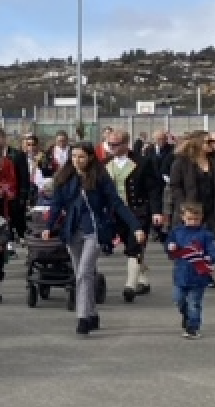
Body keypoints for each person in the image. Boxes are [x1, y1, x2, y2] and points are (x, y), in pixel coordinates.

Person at [44, 142, 144, 335]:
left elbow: (117, 203)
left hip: (95, 231)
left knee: (83, 273)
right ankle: (92, 314)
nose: (76, 160)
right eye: (73, 156)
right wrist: (49, 226)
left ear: (90, 157)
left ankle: (82, 317)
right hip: (73, 232)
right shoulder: (65, 178)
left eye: (81, 156)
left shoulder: (99, 176)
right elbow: (56, 204)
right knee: (83, 275)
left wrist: (135, 226)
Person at [104, 129, 162, 302]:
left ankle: (130, 286)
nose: (111, 147)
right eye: (110, 144)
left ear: (126, 144)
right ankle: (142, 278)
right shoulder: (104, 163)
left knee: (134, 245)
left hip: (138, 210)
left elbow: (154, 188)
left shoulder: (143, 162)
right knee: (129, 247)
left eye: (115, 144)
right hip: (115, 212)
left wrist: (157, 211)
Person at [166, 132, 215, 265]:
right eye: (208, 142)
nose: (212, 144)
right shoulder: (181, 162)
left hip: (213, 208)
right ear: (197, 144)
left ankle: (206, 271)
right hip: (191, 208)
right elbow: (175, 186)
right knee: (191, 242)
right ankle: (193, 271)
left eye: (213, 142)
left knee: (210, 241)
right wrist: (184, 206)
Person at [165, 203, 215, 339]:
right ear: (183, 217)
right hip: (180, 275)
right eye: (189, 219)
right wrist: (170, 247)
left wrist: (210, 258)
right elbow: (169, 246)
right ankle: (187, 316)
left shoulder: (206, 235)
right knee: (178, 300)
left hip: (198, 276)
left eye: (196, 219)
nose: (193, 222)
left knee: (194, 303)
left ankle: (193, 328)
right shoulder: (177, 232)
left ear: (201, 218)